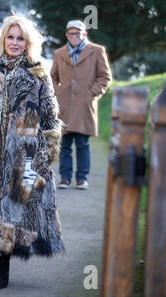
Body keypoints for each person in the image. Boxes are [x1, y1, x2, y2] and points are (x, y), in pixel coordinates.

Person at [0, 15, 65, 289]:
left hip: (24, 153)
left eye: (21, 38)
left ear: (27, 42)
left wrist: (49, 149)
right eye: (11, 37)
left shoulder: (38, 72)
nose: (15, 42)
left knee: (13, 208)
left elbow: (50, 115)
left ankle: (3, 263)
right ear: (3, 39)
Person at [51, 20, 112, 190]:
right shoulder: (59, 53)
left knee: (83, 144)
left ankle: (82, 178)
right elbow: (52, 77)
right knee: (64, 144)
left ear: (84, 34)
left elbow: (104, 77)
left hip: (85, 105)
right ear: (67, 35)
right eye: (71, 33)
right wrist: (57, 92)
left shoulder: (97, 51)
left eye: (78, 33)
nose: (75, 36)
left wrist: (92, 93)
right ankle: (64, 177)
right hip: (64, 106)